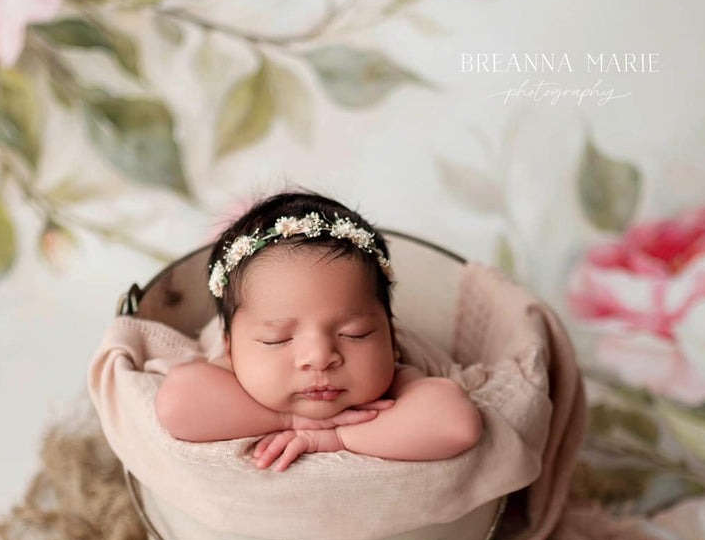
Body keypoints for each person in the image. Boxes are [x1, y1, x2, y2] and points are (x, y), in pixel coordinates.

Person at [154, 189, 483, 472]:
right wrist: (291, 421)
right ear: (230, 349)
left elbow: (455, 424)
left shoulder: (396, 378)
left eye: (354, 333)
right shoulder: (230, 371)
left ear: (392, 339)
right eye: (277, 339)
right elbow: (177, 403)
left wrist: (334, 436)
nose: (320, 357)